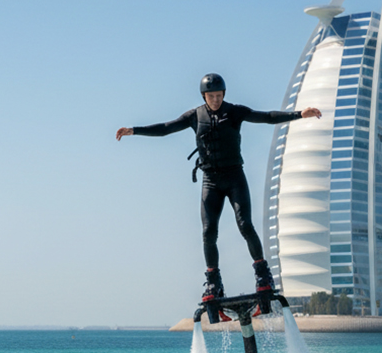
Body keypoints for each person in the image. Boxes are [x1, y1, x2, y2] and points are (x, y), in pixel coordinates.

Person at [117, 73, 323, 305]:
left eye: (219, 95)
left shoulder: (234, 112)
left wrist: (299, 114)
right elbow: (166, 128)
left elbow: (267, 117)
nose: (215, 100)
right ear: (204, 96)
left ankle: (263, 275)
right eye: (211, 96)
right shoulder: (195, 115)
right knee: (208, 232)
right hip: (211, 181)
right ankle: (213, 282)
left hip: (235, 177)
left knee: (245, 224)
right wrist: (134, 130)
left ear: (224, 94)